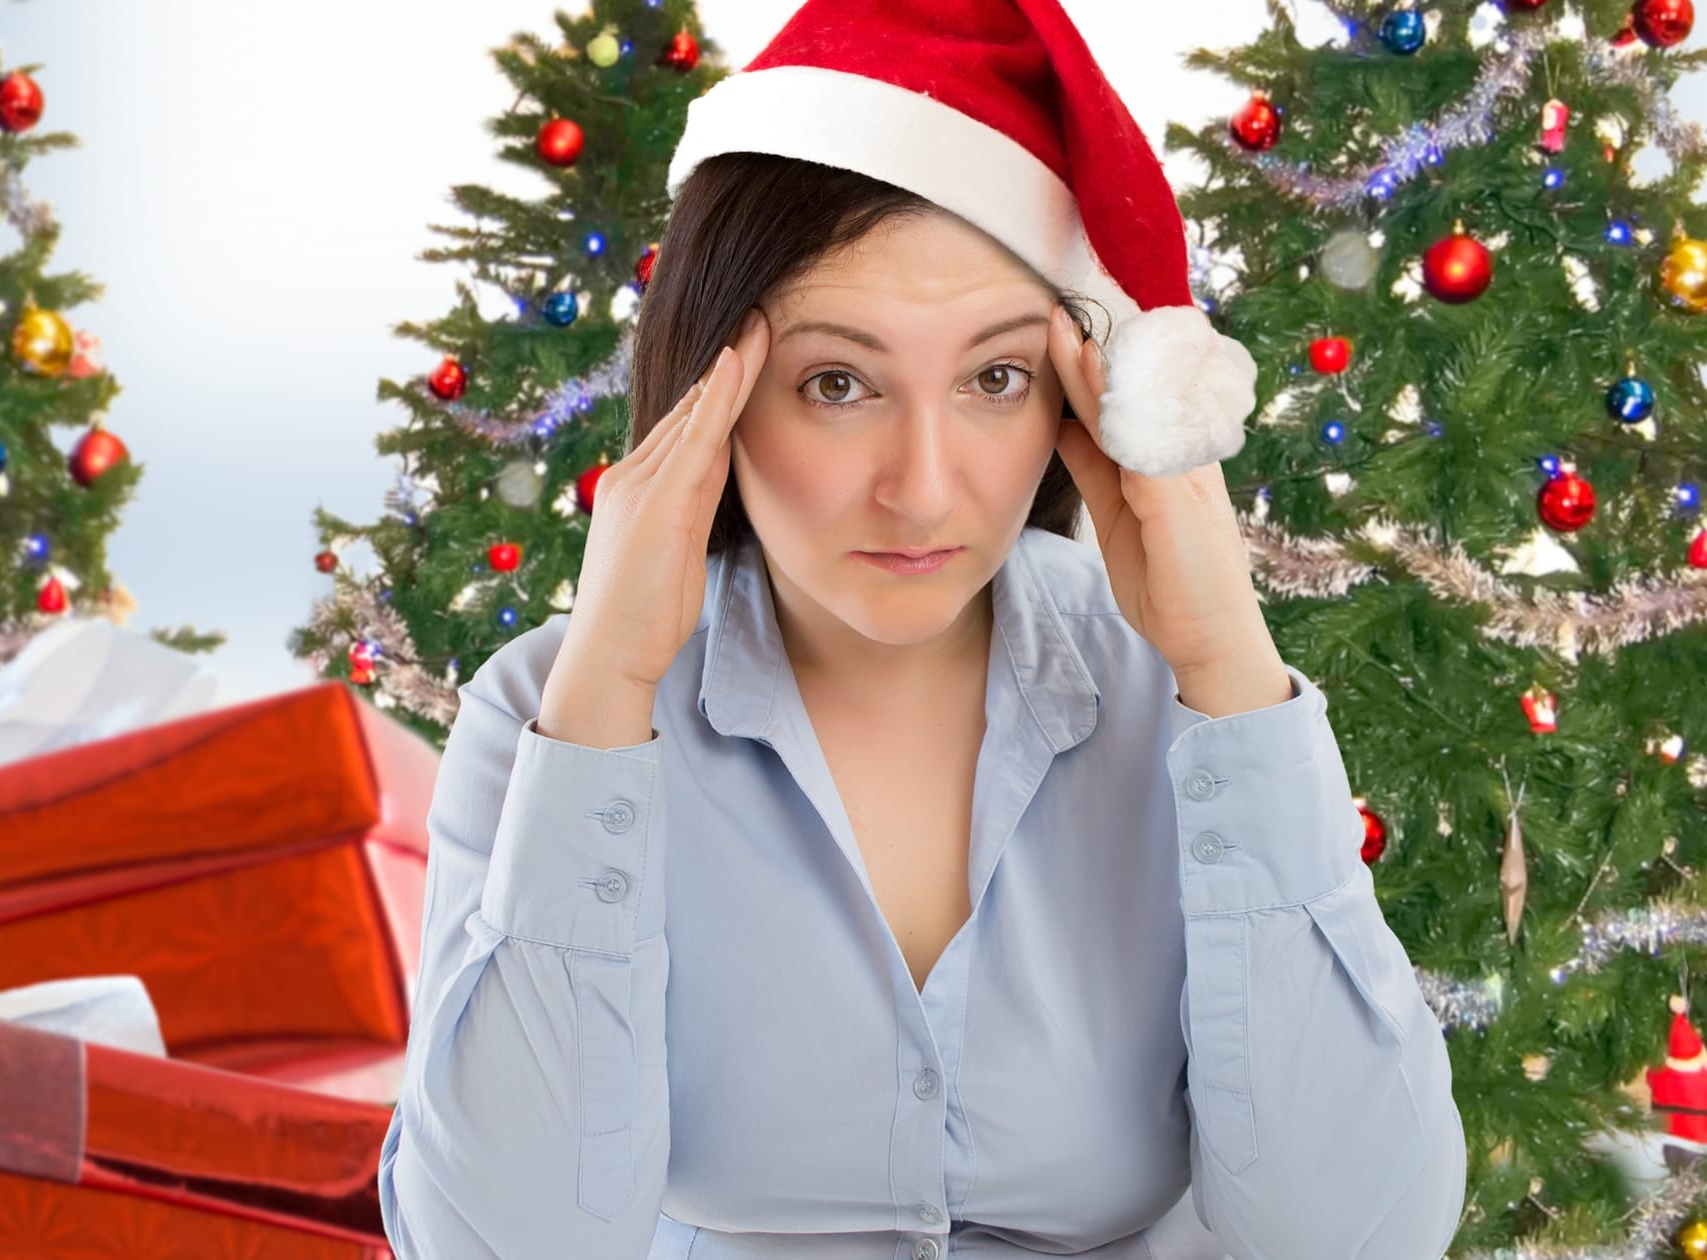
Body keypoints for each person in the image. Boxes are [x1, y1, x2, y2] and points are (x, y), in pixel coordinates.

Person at [376, 0, 1468, 1256]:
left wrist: (1227, 666)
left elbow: (1354, 1238)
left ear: (1081, 398)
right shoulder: (542, 717)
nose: (924, 488)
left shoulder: (1188, 705)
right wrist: (607, 697)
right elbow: (498, 1244)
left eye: (993, 379)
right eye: (837, 384)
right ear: (707, 396)